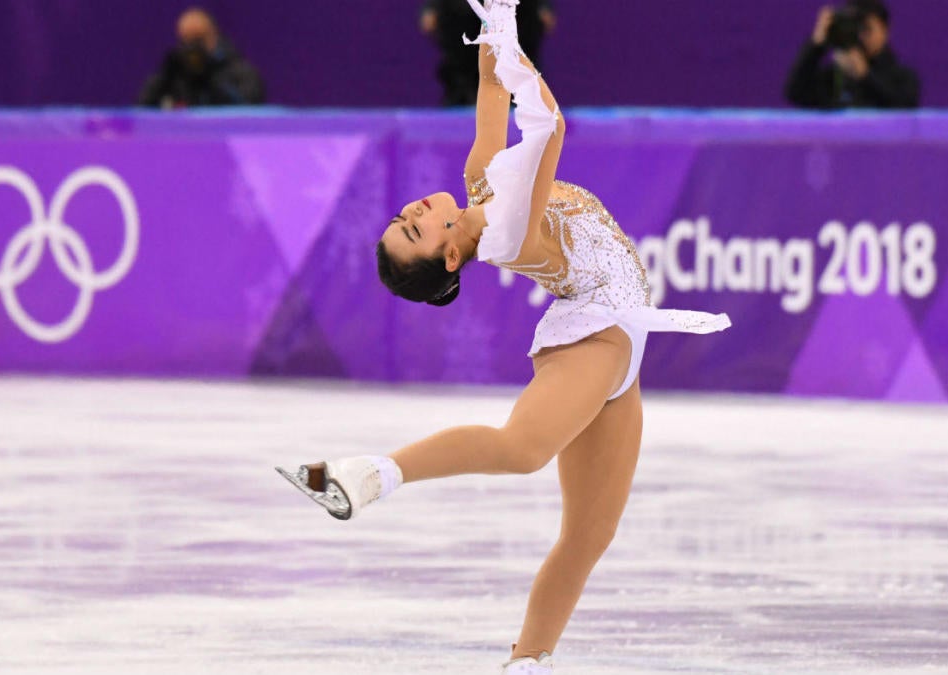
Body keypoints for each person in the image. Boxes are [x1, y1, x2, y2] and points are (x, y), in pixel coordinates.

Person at [277, 0, 730, 671]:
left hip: (621, 342)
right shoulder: (512, 226)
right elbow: (549, 127)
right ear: (449, 255)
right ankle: (368, 473)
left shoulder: (480, 181)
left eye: (401, 218)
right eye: (411, 230)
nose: (409, 211)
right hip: (595, 335)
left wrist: (497, 21)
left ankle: (527, 661)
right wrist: (515, 56)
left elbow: (490, 86)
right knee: (523, 449)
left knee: (588, 534)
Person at [785, 0, 919, 109]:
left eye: (866, 28)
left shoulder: (902, 77)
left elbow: (904, 109)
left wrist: (865, 77)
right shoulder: (833, 79)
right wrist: (816, 45)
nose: (860, 36)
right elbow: (795, 92)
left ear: (885, 30)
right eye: (854, 27)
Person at [421, 0, 555, 106]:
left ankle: (518, 102)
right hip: (464, 15)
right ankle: (462, 98)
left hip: (513, 12)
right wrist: (433, 6)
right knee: (464, 54)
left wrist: (543, 6)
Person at [138, 7, 265, 108]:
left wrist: (212, 78)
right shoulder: (175, 74)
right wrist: (164, 75)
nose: (193, 48)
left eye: (198, 40)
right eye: (186, 41)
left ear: (213, 36)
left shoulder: (240, 71)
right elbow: (142, 109)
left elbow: (249, 110)